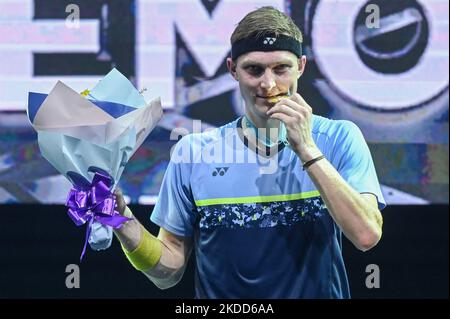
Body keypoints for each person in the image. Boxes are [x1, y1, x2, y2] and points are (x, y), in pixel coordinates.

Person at [113, 6, 385, 298]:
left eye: (281, 68)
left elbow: (366, 235)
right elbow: (168, 272)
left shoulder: (339, 138)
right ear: (233, 70)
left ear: (301, 66)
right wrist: (120, 219)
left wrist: (307, 150)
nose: (268, 85)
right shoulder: (193, 152)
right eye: (254, 69)